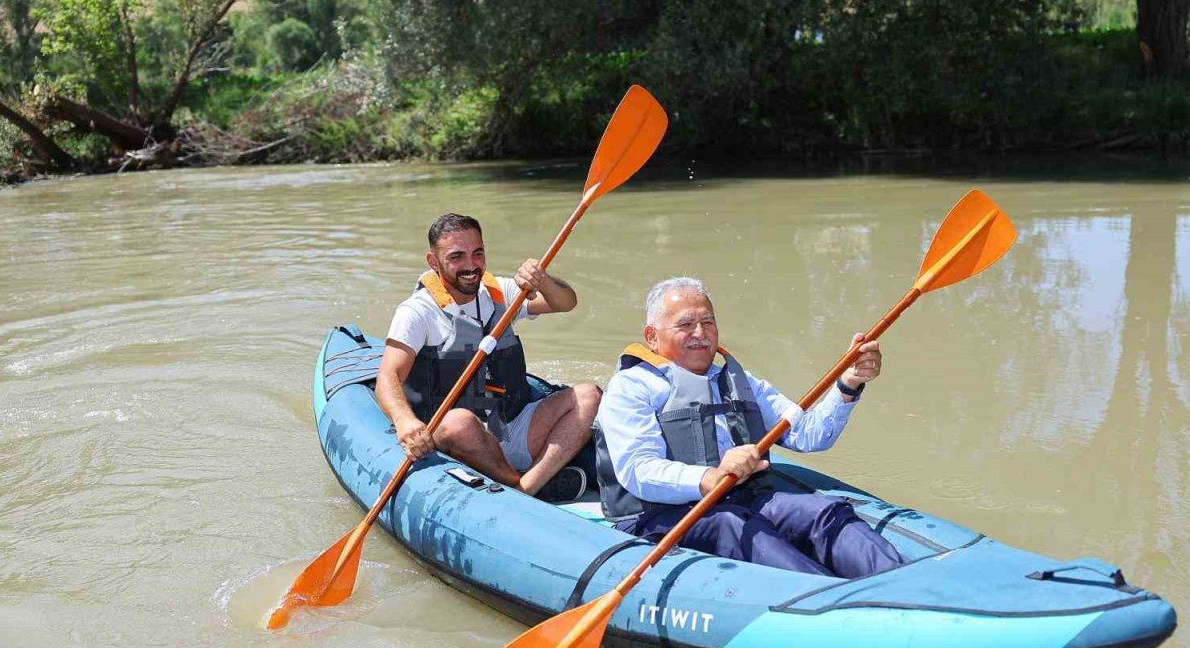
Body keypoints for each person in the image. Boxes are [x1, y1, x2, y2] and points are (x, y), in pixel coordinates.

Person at [594, 277, 904, 578]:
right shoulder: (632, 386)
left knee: (825, 513)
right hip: (660, 517)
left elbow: (808, 435)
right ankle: (838, 602)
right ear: (652, 336)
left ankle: (903, 582)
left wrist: (848, 383)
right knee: (733, 525)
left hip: (740, 499)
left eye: (708, 322)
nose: (700, 333)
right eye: (686, 324)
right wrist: (709, 478)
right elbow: (639, 470)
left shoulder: (739, 380)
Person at [375, 213, 601, 503]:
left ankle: (527, 487)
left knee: (588, 395)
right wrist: (405, 420)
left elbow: (565, 302)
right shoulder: (417, 312)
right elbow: (387, 377)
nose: (470, 265)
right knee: (459, 422)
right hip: (456, 435)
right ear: (433, 262)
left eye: (477, 253)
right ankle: (526, 483)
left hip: (510, 423)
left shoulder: (500, 292)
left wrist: (542, 281)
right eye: (457, 256)